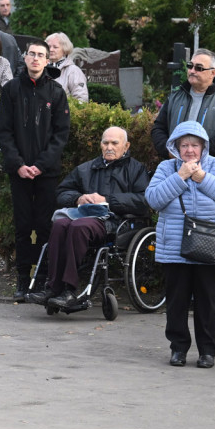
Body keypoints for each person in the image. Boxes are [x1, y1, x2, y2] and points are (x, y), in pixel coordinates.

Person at [150, 47, 215, 315]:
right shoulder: (176, 96)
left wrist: (199, 153)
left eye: (199, 68)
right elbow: (159, 127)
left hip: (210, 171)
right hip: (177, 169)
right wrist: (169, 150)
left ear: (213, 73)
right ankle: (187, 290)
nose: (192, 71)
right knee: (181, 225)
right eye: (190, 66)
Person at [146, 121, 215, 368]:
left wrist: (202, 178)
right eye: (184, 145)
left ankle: (207, 352)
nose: (189, 150)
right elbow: (154, 200)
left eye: (194, 145)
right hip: (174, 248)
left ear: (203, 147)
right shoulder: (166, 168)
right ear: (176, 147)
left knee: (208, 302)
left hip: (209, 246)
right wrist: (180, 177)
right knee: (176, 303)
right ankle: (178, 349)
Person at [27, 127, 150, 307]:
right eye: (105, 142)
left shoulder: (136, 169)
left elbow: (143, 200)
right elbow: (61, 192)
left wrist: (107, 200)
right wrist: (78, 198)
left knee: (79, 226)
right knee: (60, 224)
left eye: (114, 143)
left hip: (115, 221)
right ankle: (52, 287)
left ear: (126, 146)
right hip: (84, 216)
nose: (109, 147)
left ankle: (69, 290)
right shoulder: (86, 168)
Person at [0, 39, 71, 301]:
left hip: (46, 173)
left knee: (44, 226)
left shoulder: (56, 92)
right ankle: (22, 279)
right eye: (32, 54)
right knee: (22, 225)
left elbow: (61, 135)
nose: (36, 59)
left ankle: (41, 279)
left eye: (41, 55)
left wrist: (40, 165)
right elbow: (4, 132)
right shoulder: (11, 90)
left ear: (47, 60)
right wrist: (19, 165)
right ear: (25, 58)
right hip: (18, 171)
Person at [45, 32, 89, 103]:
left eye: (55, 47)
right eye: (49, 46)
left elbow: (81, 99)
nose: (51, 50)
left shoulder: (73, 71)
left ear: (64, 50)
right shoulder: (41, 68)